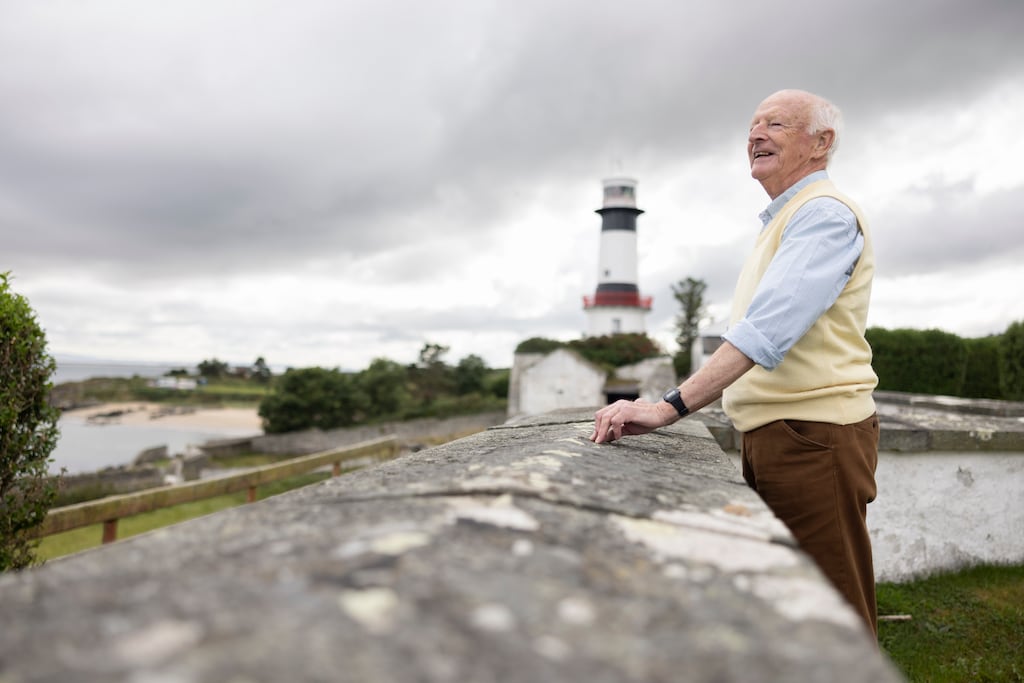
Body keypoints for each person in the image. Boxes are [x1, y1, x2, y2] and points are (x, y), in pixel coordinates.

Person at [589, 89, 880, 637]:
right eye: (752, 125)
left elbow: (765, 331)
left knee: (831, 615)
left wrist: (667, 407)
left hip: (814, 436)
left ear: (822, 143)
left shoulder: (822, 216)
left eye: (776, 124)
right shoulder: (786, 216)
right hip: (786, 434)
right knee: (792, 608)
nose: (756, 134)